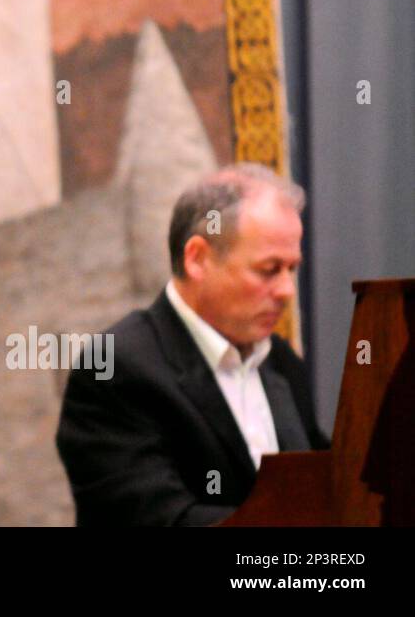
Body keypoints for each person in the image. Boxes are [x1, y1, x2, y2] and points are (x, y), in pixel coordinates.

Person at [55, 163, 330, 526]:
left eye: (291, 269)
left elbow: (327, 485)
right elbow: (157, 521)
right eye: (268, 269)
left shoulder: (279, 361)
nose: (286, 291)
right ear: (198, 258)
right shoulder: (113, 369)